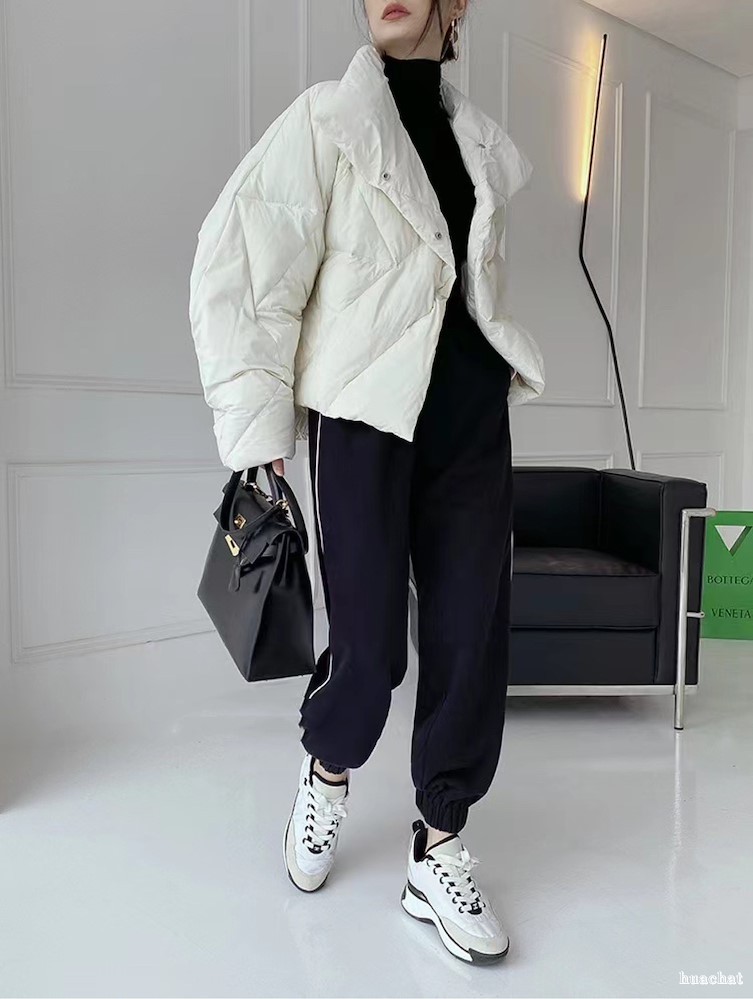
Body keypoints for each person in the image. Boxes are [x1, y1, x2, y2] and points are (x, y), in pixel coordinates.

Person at [188, 0, 545, 965]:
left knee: (471, 635)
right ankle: (329, 768)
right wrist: (258, 428)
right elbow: (243, 265)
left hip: (469, 421)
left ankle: (439, 844)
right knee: (370, 646)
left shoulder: (476, 144)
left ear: (454, 4)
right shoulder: (326, 120)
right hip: (363, 420)